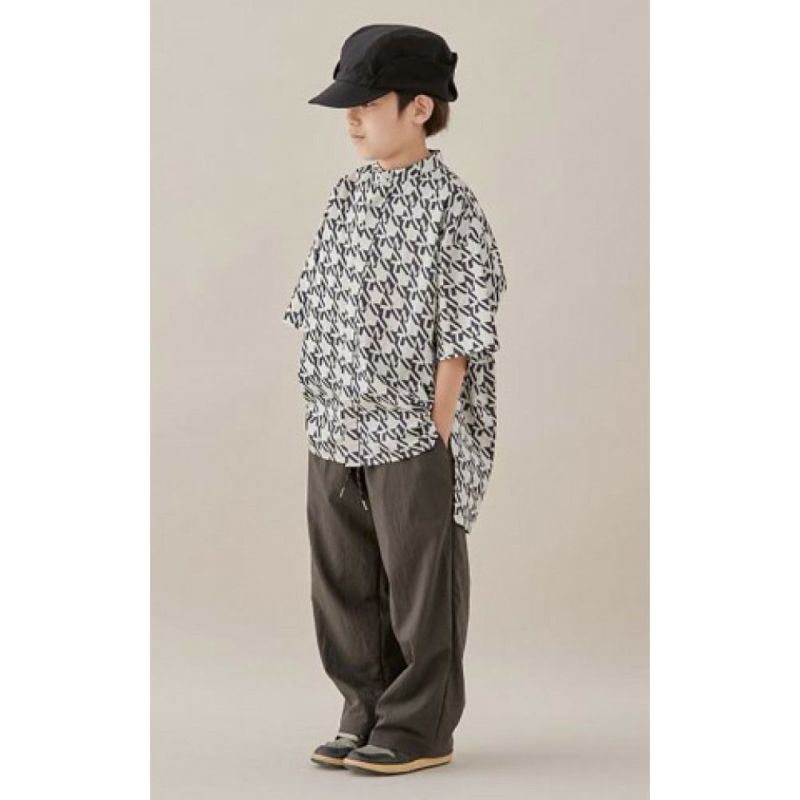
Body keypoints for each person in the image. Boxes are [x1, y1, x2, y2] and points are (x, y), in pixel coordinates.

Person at [282, 23, 508, 775]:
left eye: (368, 104)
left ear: (419, 107)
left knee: (420, 581)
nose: (352, 119)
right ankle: (365, 708)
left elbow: (464, 326)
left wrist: (437, 424)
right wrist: (322, 398)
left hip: (411, 430)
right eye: (347, 106)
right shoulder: (348, 195)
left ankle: (419, 725)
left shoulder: (451, 206)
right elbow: (319, 301)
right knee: (344, 579)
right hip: (336, 421)